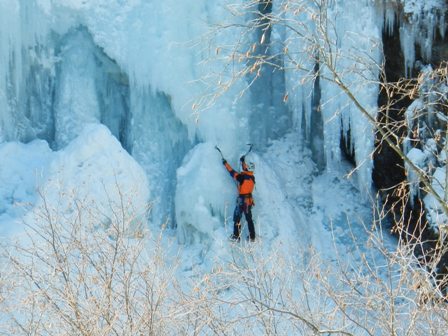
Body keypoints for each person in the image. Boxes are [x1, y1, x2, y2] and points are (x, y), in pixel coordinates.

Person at [222, 155, 256, 242]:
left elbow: (232, 172)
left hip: (242, 201)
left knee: (237, 218)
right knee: (249, 219)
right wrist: (242, 161)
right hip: (248, 201)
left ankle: (236, 236)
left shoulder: (242, 178)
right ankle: (252, 237)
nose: (245, 167)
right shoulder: (252, 177)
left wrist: (225, 163)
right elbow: (246, 169)